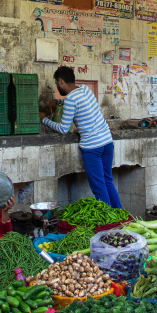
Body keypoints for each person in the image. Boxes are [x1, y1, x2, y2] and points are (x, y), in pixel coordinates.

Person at [41, 66, 122, 208]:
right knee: (107, 181)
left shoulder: (71, 98)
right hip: (107, 142)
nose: (57, 87)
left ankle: (108, 223)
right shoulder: (85, 89)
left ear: (60, 81)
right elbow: (77, 104)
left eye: (56, 83)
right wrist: (58, 101)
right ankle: (119, 217)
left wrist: (44, 119)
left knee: (99, 188)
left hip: (92, 147)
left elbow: (64, 129)